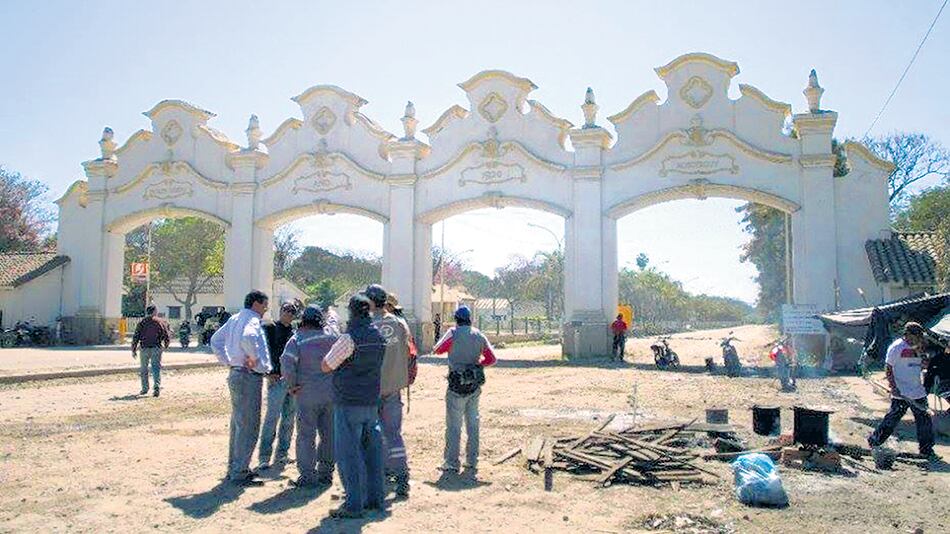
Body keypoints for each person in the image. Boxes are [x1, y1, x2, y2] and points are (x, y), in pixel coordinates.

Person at [321, 294, 387, 518]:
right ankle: (375, 499)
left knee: (349, 455)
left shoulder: (348, 338)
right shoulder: (379, 336)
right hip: (371, 401)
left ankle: (353, 504)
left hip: (348, 402)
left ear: (350, 312)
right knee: (372, 453)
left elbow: (326, 365)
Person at [210, 290, 272, 486]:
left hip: (236, 373)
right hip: (249, 376)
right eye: (264, 305)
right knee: (249, 425)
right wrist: (256, 360)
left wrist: (228, 360)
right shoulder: (252, 320)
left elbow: (215, 341)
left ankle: (235, 466)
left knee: (238, 423)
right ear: (256, 304)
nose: (265, 309)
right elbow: (248, 338)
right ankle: (239, 471)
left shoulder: (234, 319)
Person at [433, 305, 497, 477]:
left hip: (455, 385)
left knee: (454, 425)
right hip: (474, 385)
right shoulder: (479, 335)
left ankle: (452, 463)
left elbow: (437, 349)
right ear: (471, 318)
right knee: (473, 423)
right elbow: (492, 358)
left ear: (456, 319)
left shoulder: (453, 333)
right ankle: (472, 461)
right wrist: (476, 366)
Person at [365, 285, 416, 499]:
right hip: (394, 389)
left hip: (370, 391)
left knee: (371, 436)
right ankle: (402, 476)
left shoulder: (366, 326)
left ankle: (377, 475)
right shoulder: (400, 324)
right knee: (394, 435)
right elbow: (410, 354)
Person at [282, 306, 339, 487]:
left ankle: (307, 475)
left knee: (306, 435)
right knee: (329, 434)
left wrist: (291, 386)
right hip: (331, 394)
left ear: (303, 320)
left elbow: (286, 363)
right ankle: (326, 473)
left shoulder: (296, 340)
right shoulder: (332, 337)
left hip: (306, 395)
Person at [868, 322, 939, 461]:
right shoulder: (896, 347)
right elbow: (888, 368)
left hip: (917, 391)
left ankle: (927, 450)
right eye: (916, 336)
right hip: (901, 392)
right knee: (892, 419)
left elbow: (924, 365)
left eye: (919, 337)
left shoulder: (917, 347)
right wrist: (894, 387)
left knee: (924, 420)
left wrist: (922, 354)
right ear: (907, 335)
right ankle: (874, 441)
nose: (918, 339)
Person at [257, 302, 299, 471]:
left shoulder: (295, 332)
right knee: (271, 419)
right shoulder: (269, 327)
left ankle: (282, 454)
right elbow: (262, 350)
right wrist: (267, 373)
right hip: (276, 379)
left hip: (293, 381)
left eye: (292, 311)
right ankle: (264, 457)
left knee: (289, 420)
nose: (288, 313)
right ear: (280, 311)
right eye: (286, 310)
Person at [131, 305, 170, 397]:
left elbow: (136, 336)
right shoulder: (160, 322)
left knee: (144, 369)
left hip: (144, 348)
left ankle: (145, 388)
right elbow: (166, 334)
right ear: (154, 312)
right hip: (156, 347)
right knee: (156, 367)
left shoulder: (142, 322)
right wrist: (166, 345)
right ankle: (156, 386)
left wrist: (133, 349)